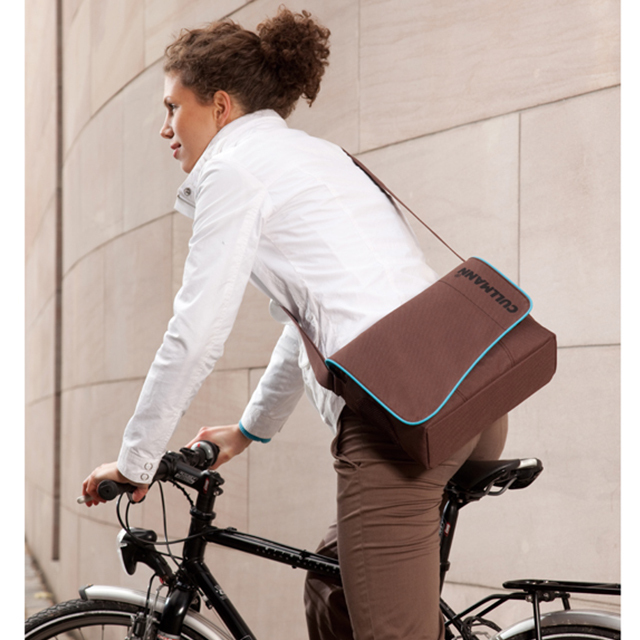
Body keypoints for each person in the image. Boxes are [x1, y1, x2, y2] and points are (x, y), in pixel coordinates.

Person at [81, 7, 508, 640]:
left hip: (402, 423)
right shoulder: (317, 155)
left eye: (172, 107)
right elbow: (308, 322)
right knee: (332, 589)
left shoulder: (233, 169)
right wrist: (247, 431)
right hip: (472, 394)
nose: (164, 127)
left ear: (219, 106)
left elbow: (194, 332)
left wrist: (136, 461)